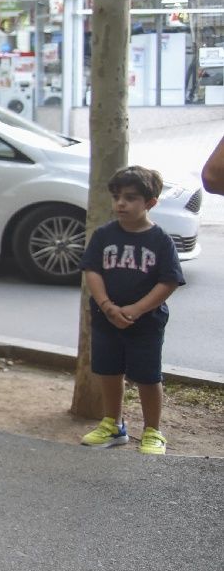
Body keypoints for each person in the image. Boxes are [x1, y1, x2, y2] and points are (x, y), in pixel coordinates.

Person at [78, 166, 185, 455]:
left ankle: (153, 430)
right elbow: (92, 271)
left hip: (146, 323)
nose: (120, 204)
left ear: (150, 203)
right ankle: (113, 425)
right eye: (116, 197)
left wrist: (136, 310)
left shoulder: (161, 240)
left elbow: (169, 280)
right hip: (105, 319)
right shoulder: (103, 235)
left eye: (130, 197)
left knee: (148, 376)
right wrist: (107, 306)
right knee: (109, 372)